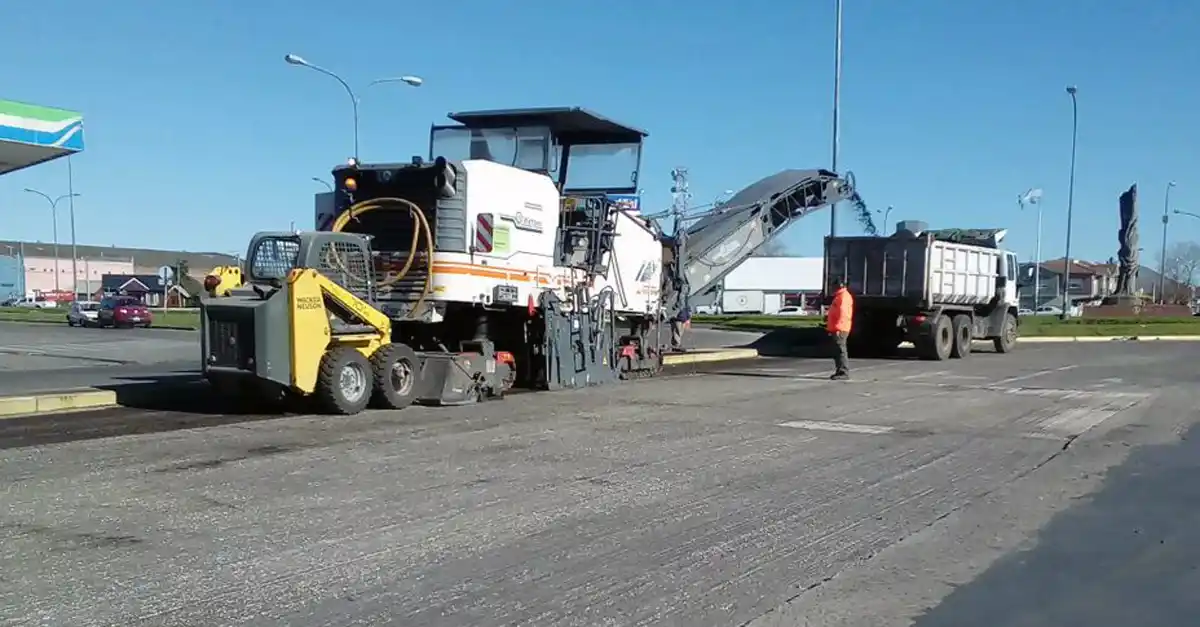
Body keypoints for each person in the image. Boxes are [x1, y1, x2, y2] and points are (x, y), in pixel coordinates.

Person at [826, 277, 854, 380]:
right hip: (838, 327)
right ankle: (840, 371)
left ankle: (843, 372)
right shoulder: (840, 296)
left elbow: (843, 314)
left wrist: (838, 328)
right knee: (837, 350)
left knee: (840, 350)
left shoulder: (843, 297)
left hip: (840, 328)